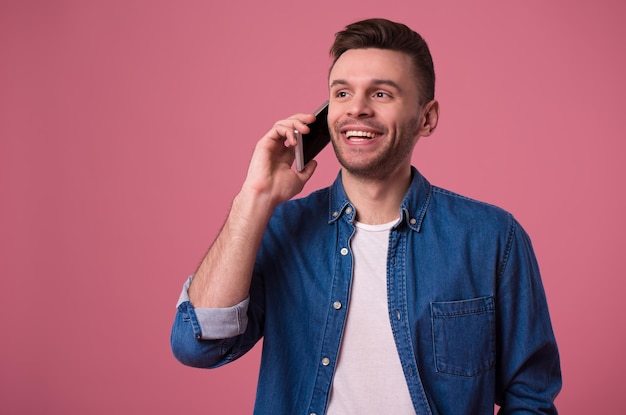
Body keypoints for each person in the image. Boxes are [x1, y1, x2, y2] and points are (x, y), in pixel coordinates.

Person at [170, 18, 561, 414]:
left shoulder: (491, 237)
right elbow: (198, 346)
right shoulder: (281, 229)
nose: (356, 108)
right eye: (342, 93)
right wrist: (253, 198)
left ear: (427, 118)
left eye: (381, 93)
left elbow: (529, 396)